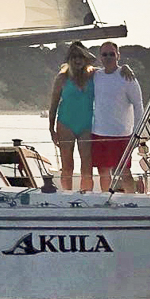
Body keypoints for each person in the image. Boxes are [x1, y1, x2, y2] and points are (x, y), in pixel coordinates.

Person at [90, 41, 144, 193]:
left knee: (124, 172)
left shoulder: (127, 77)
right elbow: (80, 67)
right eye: (104, 54)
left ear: (118, 55)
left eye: (112, 54)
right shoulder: (96, 75)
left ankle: (132, 200)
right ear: (100, 57)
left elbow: (138, 105)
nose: (108, 57)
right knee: (103, 171)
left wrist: (137, 132)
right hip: (99, 133)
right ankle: (106, 199)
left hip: (121, 134)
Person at [47, 42, 95, 191]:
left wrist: (125, 68)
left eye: (81, 56)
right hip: (65, 124)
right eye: (74, 57)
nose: (77, 60)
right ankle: (67, 195)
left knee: (87, 166)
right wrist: (51, 129)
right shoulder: (61, 78)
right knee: (67, 166)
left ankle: (85, 195)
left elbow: (110, 70)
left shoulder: (94, 75)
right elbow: (53, 105)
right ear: (69, 59)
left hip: (86, 125)